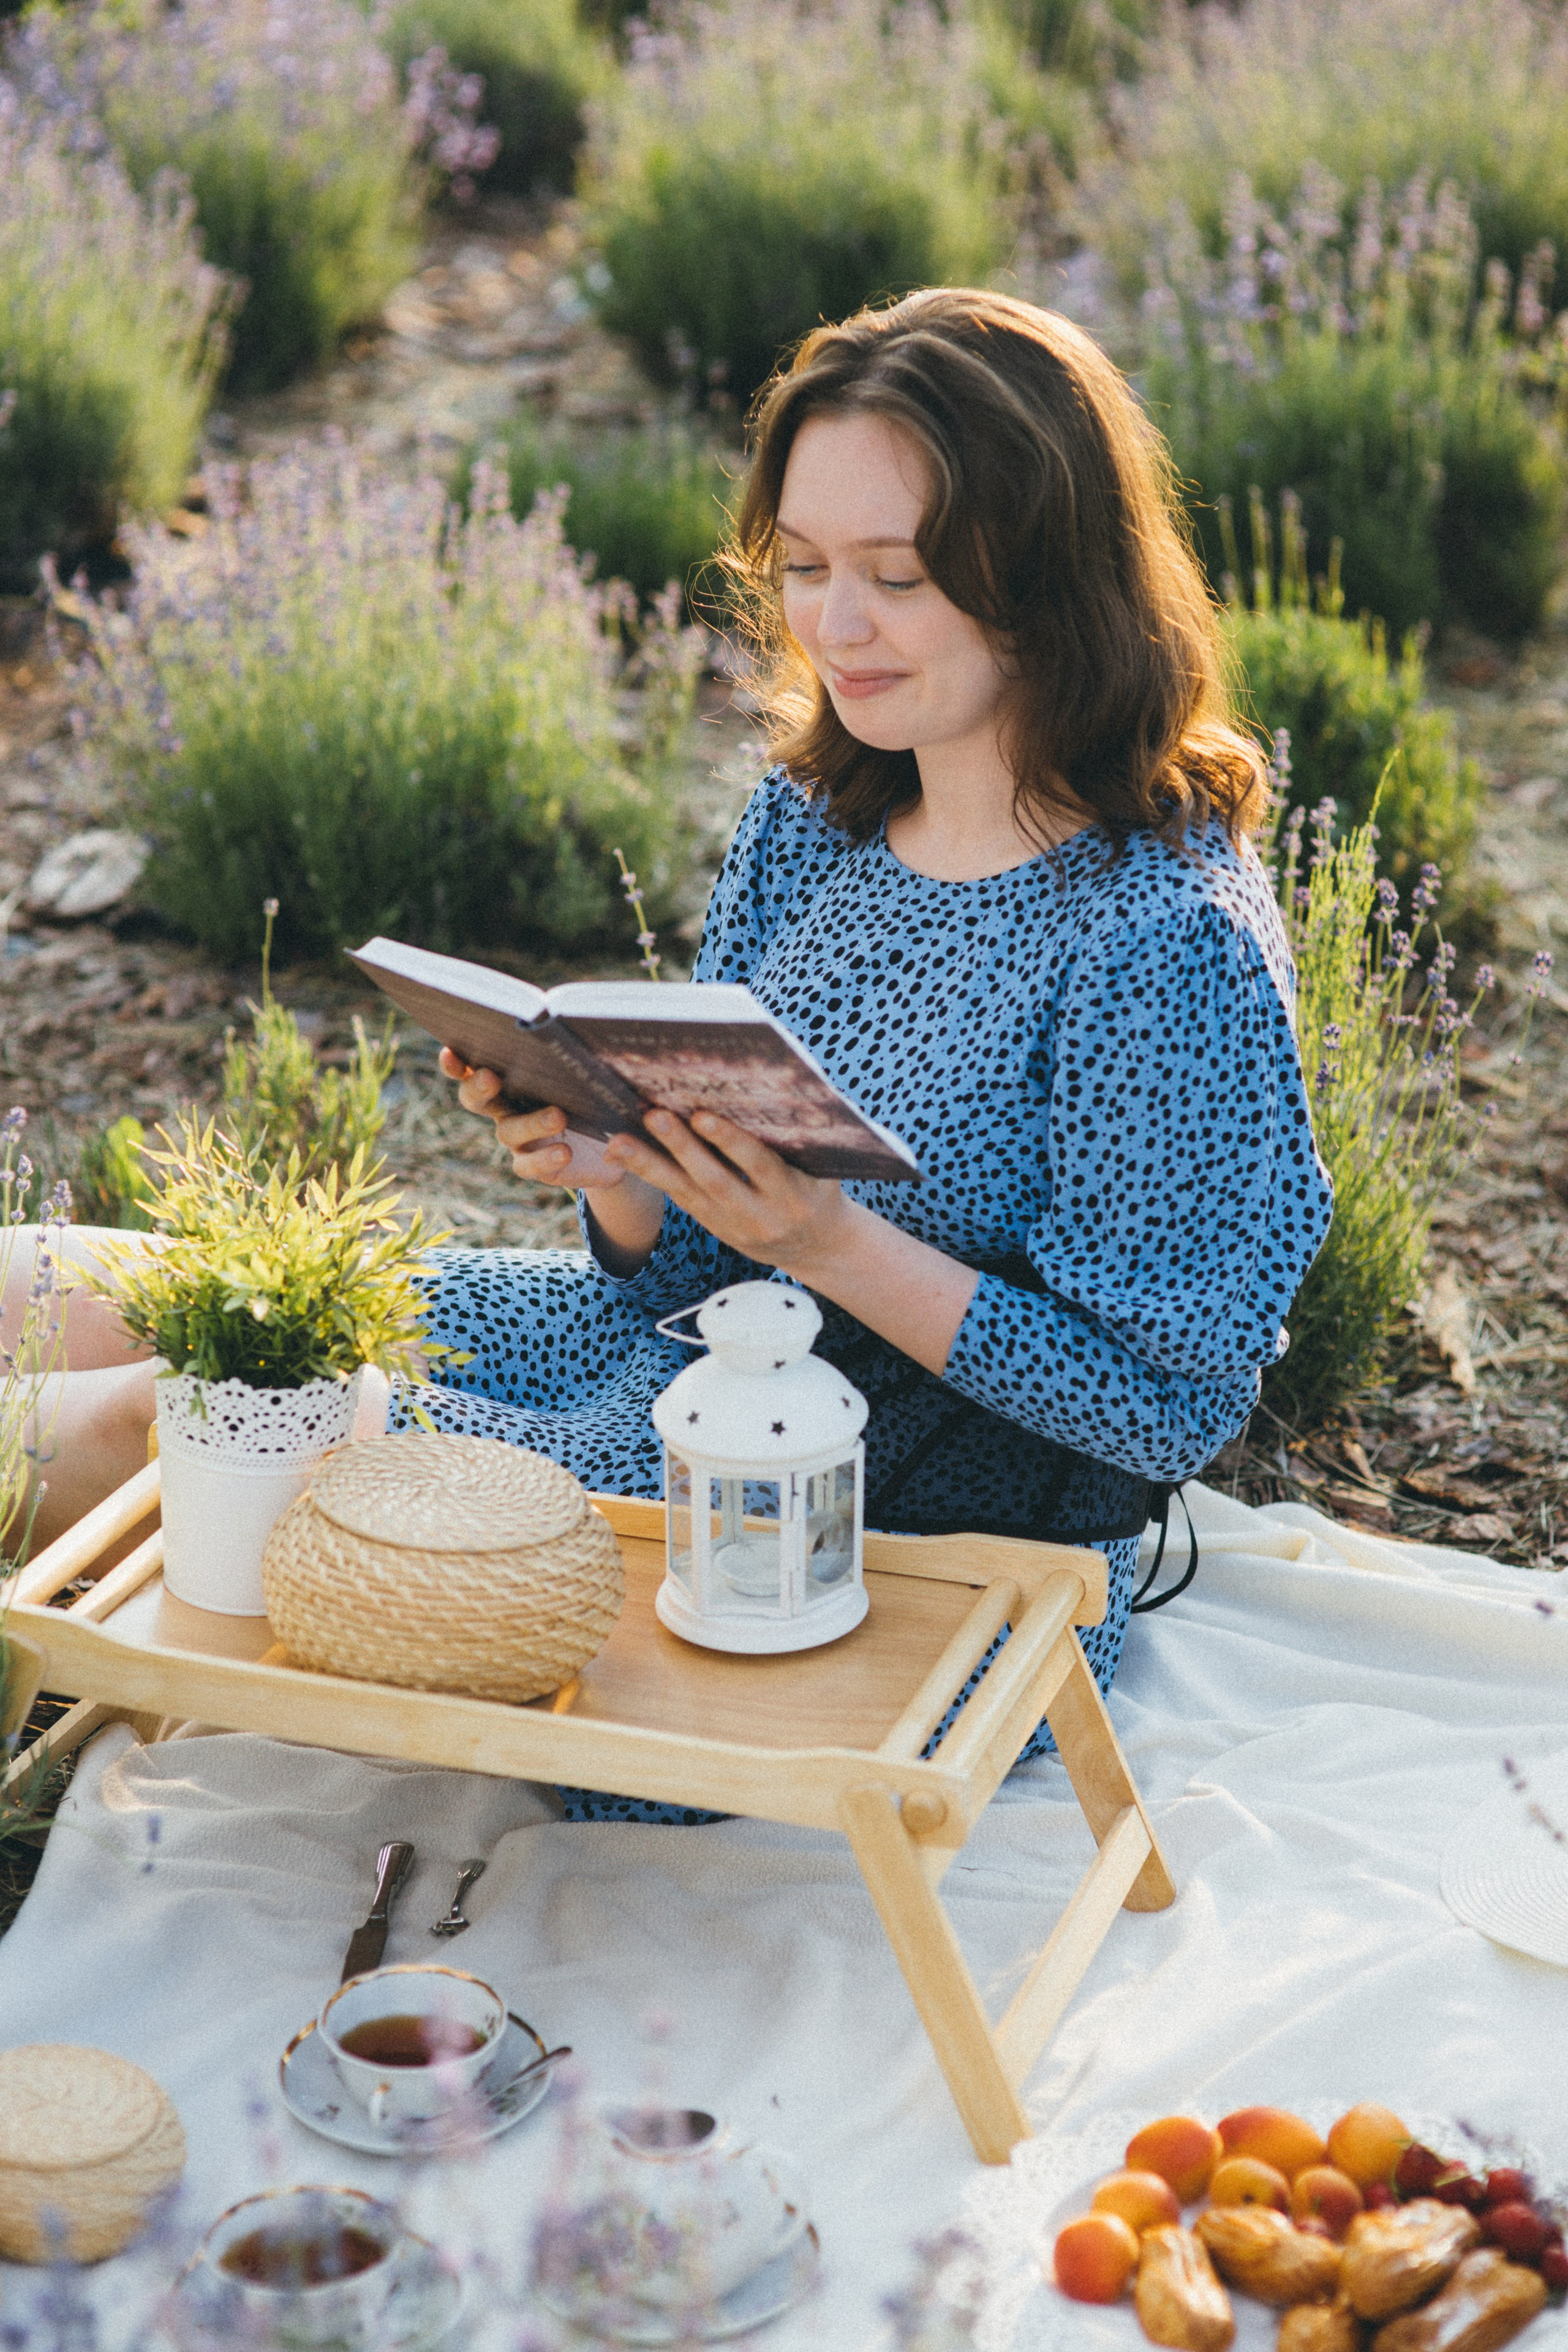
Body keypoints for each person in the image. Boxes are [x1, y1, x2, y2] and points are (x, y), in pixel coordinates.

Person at [4, 289, 1332, 1815]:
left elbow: (1162, 1408)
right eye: (808, 568)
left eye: (895, 577)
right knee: (54, 1283)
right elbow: (692, 1266)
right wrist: (618, 1174)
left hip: (857, 1501)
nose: (834, 627)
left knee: (159, 1420)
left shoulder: (1158, 937)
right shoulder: (817, 816)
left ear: (1042, 581)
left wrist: (827, 1246)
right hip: (675, 1347)